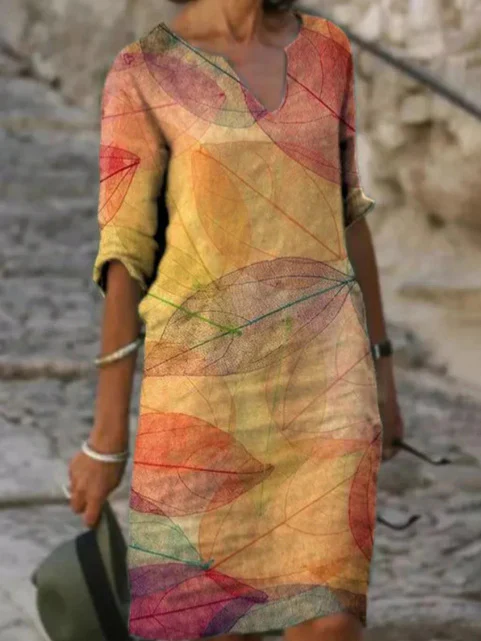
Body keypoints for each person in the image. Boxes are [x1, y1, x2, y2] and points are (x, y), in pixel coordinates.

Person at [68, 1, 404, 639]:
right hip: (203, 398)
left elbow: (347, 211)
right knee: (217, 626)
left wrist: (382, 370)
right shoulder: (143, 69)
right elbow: (124, 253)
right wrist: (106, 436)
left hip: (328, 387)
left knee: (330, 623)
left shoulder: (327, 50)